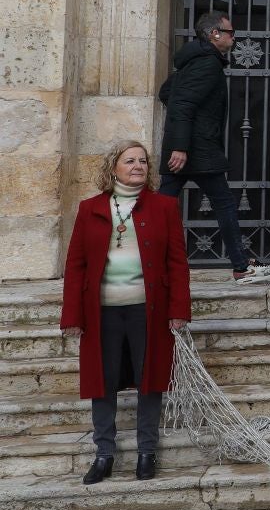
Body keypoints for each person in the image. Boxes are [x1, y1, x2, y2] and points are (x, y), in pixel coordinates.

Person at [61, 141, 190, 484]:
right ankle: (104, 453)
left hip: (147, 310)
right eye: (129, 160)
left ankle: (147, 451)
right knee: (101, 382)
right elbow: (75, 265)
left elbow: (177, 264)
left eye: (143, 161)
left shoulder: (165, 207)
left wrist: (178, 310)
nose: (138, 166)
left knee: (150, 380)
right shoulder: (90, 208)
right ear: (113, 167)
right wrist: (72, 316)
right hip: (101, 311)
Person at [158, 10, 268, 283]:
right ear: (214, 34)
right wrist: (183, 146)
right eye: (230, 32)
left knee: (161, 208)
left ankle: (149, 263)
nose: (234, 37)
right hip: (197, 151)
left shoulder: (192, 62)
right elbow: (182, 103)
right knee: (224, 204)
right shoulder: (206, 64)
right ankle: (241, 266)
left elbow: (168, 94)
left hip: (187, 148)